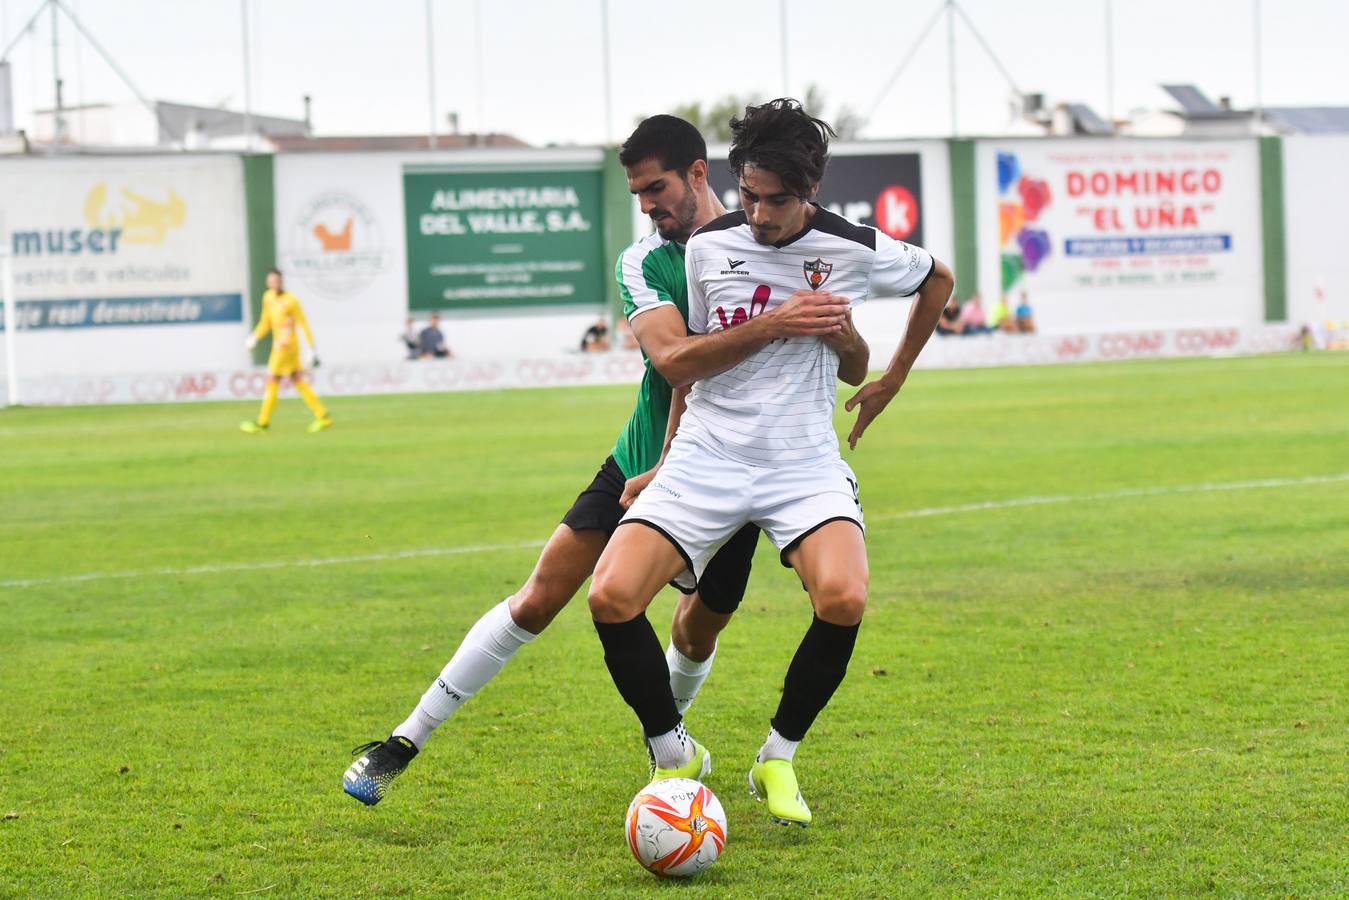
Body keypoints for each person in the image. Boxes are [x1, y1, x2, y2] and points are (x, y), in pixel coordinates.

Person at [341, 114, 866, 806]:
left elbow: (845, 341)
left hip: (737, 469)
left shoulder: (773, 245)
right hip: (641, 460)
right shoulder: (643, 262)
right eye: (638, 195)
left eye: (656, 189)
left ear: (699, 175)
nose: (647, 206)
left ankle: (671, 754)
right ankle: (404, 739)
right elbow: (676, 363)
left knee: (695, 628)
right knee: (540, 595)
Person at [588, 99, 953, 828]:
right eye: (747, 195)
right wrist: (664, 462)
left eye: (775, 201)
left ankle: (776, 756)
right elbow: (687, 369)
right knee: (611, 596)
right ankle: (672, 754)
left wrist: (888, 378)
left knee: (843, 598)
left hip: (800, 460)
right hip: (708, 453)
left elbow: (936, 280)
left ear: (808, 191)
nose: (756, 214)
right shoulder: (706, 248)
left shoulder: (854, 246)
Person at [239, 269, 332, 434]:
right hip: (280, 346)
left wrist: (311, 348)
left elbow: (303, 323)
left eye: (277, 281)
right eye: (272, 281)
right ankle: (322, 414)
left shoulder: (291, 301)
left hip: (286, 347)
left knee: (272, 379)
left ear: (282, 281)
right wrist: (255, 336)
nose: (275, 283)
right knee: (297, 380)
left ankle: (263, 422)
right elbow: (265, 322)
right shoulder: (268, 298)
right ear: (268, 283)